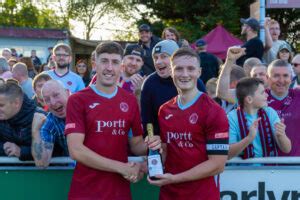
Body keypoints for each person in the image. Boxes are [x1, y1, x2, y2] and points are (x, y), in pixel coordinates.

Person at [65, 41, 161, 199]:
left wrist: (155, 143)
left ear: (121, 67)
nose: (109, 68)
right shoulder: (78, 100)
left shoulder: (130, 101)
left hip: (119, 191)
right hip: (85, 192)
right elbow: (76, 151)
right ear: (95, 64)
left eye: (115, 62)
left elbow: (136, 145)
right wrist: (122, 168)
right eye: (104, 61)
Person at [148, 47, 229, 200]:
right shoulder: (164, 110)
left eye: (190, 69)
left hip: (201, 195)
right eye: (179, 69)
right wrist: (156, 148)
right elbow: (167, 152)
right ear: (171, 72)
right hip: (169, 194)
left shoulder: (214, 111)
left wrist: (175, 178)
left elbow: (218, 164)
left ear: (199, 72)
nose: (185, 74)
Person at [141, 40, 206, 136]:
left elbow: (206, 115)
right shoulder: (149, 83)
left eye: (164, 56)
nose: (158, 62)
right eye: (155, 58)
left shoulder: (193, 81)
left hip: (193, 140)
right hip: (161, 143)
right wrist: (151, 139)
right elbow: (147, 121)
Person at [227, 77, 291, 159]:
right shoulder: (231, 118)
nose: (267, 95)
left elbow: (287, 149)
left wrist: (281, 135)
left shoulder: (270, 112)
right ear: (249, 99)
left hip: (269, 170)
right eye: (262, 93)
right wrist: (249, 138)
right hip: (242, 170)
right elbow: (227, 154)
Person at [32, 80, 70, 168]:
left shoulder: (85, 108)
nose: (53, 102)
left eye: (56, 95)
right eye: (47, 99)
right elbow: (41, 163)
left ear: (67, 93)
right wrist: (35, 130)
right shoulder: (50, 123)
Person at [0, 82, 38, 160]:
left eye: (1, 105)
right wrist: (5, 147)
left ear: (16, 103)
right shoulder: (3, 116)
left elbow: (54, 150)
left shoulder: (39, 117)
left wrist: (21, 151)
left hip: (37, 171)